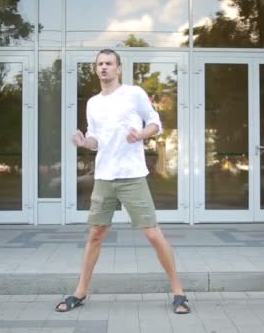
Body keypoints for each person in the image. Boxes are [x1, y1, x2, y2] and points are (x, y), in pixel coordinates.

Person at [56, 48, 190, 315]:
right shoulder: (93, 103)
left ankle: (178, 292)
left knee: (152, 233)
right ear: (97, 69)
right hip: (104, 177)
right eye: (100, 64)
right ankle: (80, 292)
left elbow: (155, 123)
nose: (104, 67)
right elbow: (96, 140)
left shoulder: (134, 93)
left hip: (132, 175)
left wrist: (140, 134)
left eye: (109, 63)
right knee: (96, 234)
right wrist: (85, 142)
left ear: (119, 68)